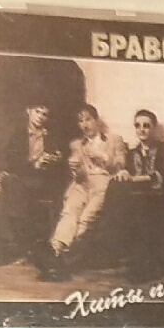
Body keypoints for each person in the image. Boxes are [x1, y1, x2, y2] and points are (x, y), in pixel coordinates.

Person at [39, 104, 125, 281]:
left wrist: (102, 158)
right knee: (69, 212)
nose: (84, 125)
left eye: (88, 119)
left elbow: (120, 165)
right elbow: (78, 175)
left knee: (86, 218)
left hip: (103, 183)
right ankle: (55, 251)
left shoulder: (114, 140)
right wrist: (75, 169)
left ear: (97, 121)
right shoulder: (76, 144)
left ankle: (63, 259)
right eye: (80, 121)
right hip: (82, 184)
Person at [0, 101, 65, 267]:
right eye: (38, 112)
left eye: (45, 114)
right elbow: (12, 162)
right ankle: (13, 244)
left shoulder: (50, 136)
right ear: (29, 111)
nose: (41, 117)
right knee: (9, 183)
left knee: (12, 186)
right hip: (23, 177)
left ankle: (16, 246)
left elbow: (60, 163)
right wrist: (34, 164)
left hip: (43, 181)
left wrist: (54, 160)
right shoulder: (18, 134)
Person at [106, 109, 164, 280]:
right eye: (138, 126)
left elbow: (162, 176)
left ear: (154, 128)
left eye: (146, 126)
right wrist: (124, 173)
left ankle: (144, 266)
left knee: (140, 209)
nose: (141, 129)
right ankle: (127, 256)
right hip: (137, 198)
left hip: (158, 197)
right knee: (116, 187)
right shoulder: (132, 153)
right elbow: (128, 172)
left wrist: (136, 178)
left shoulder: (163, 149)